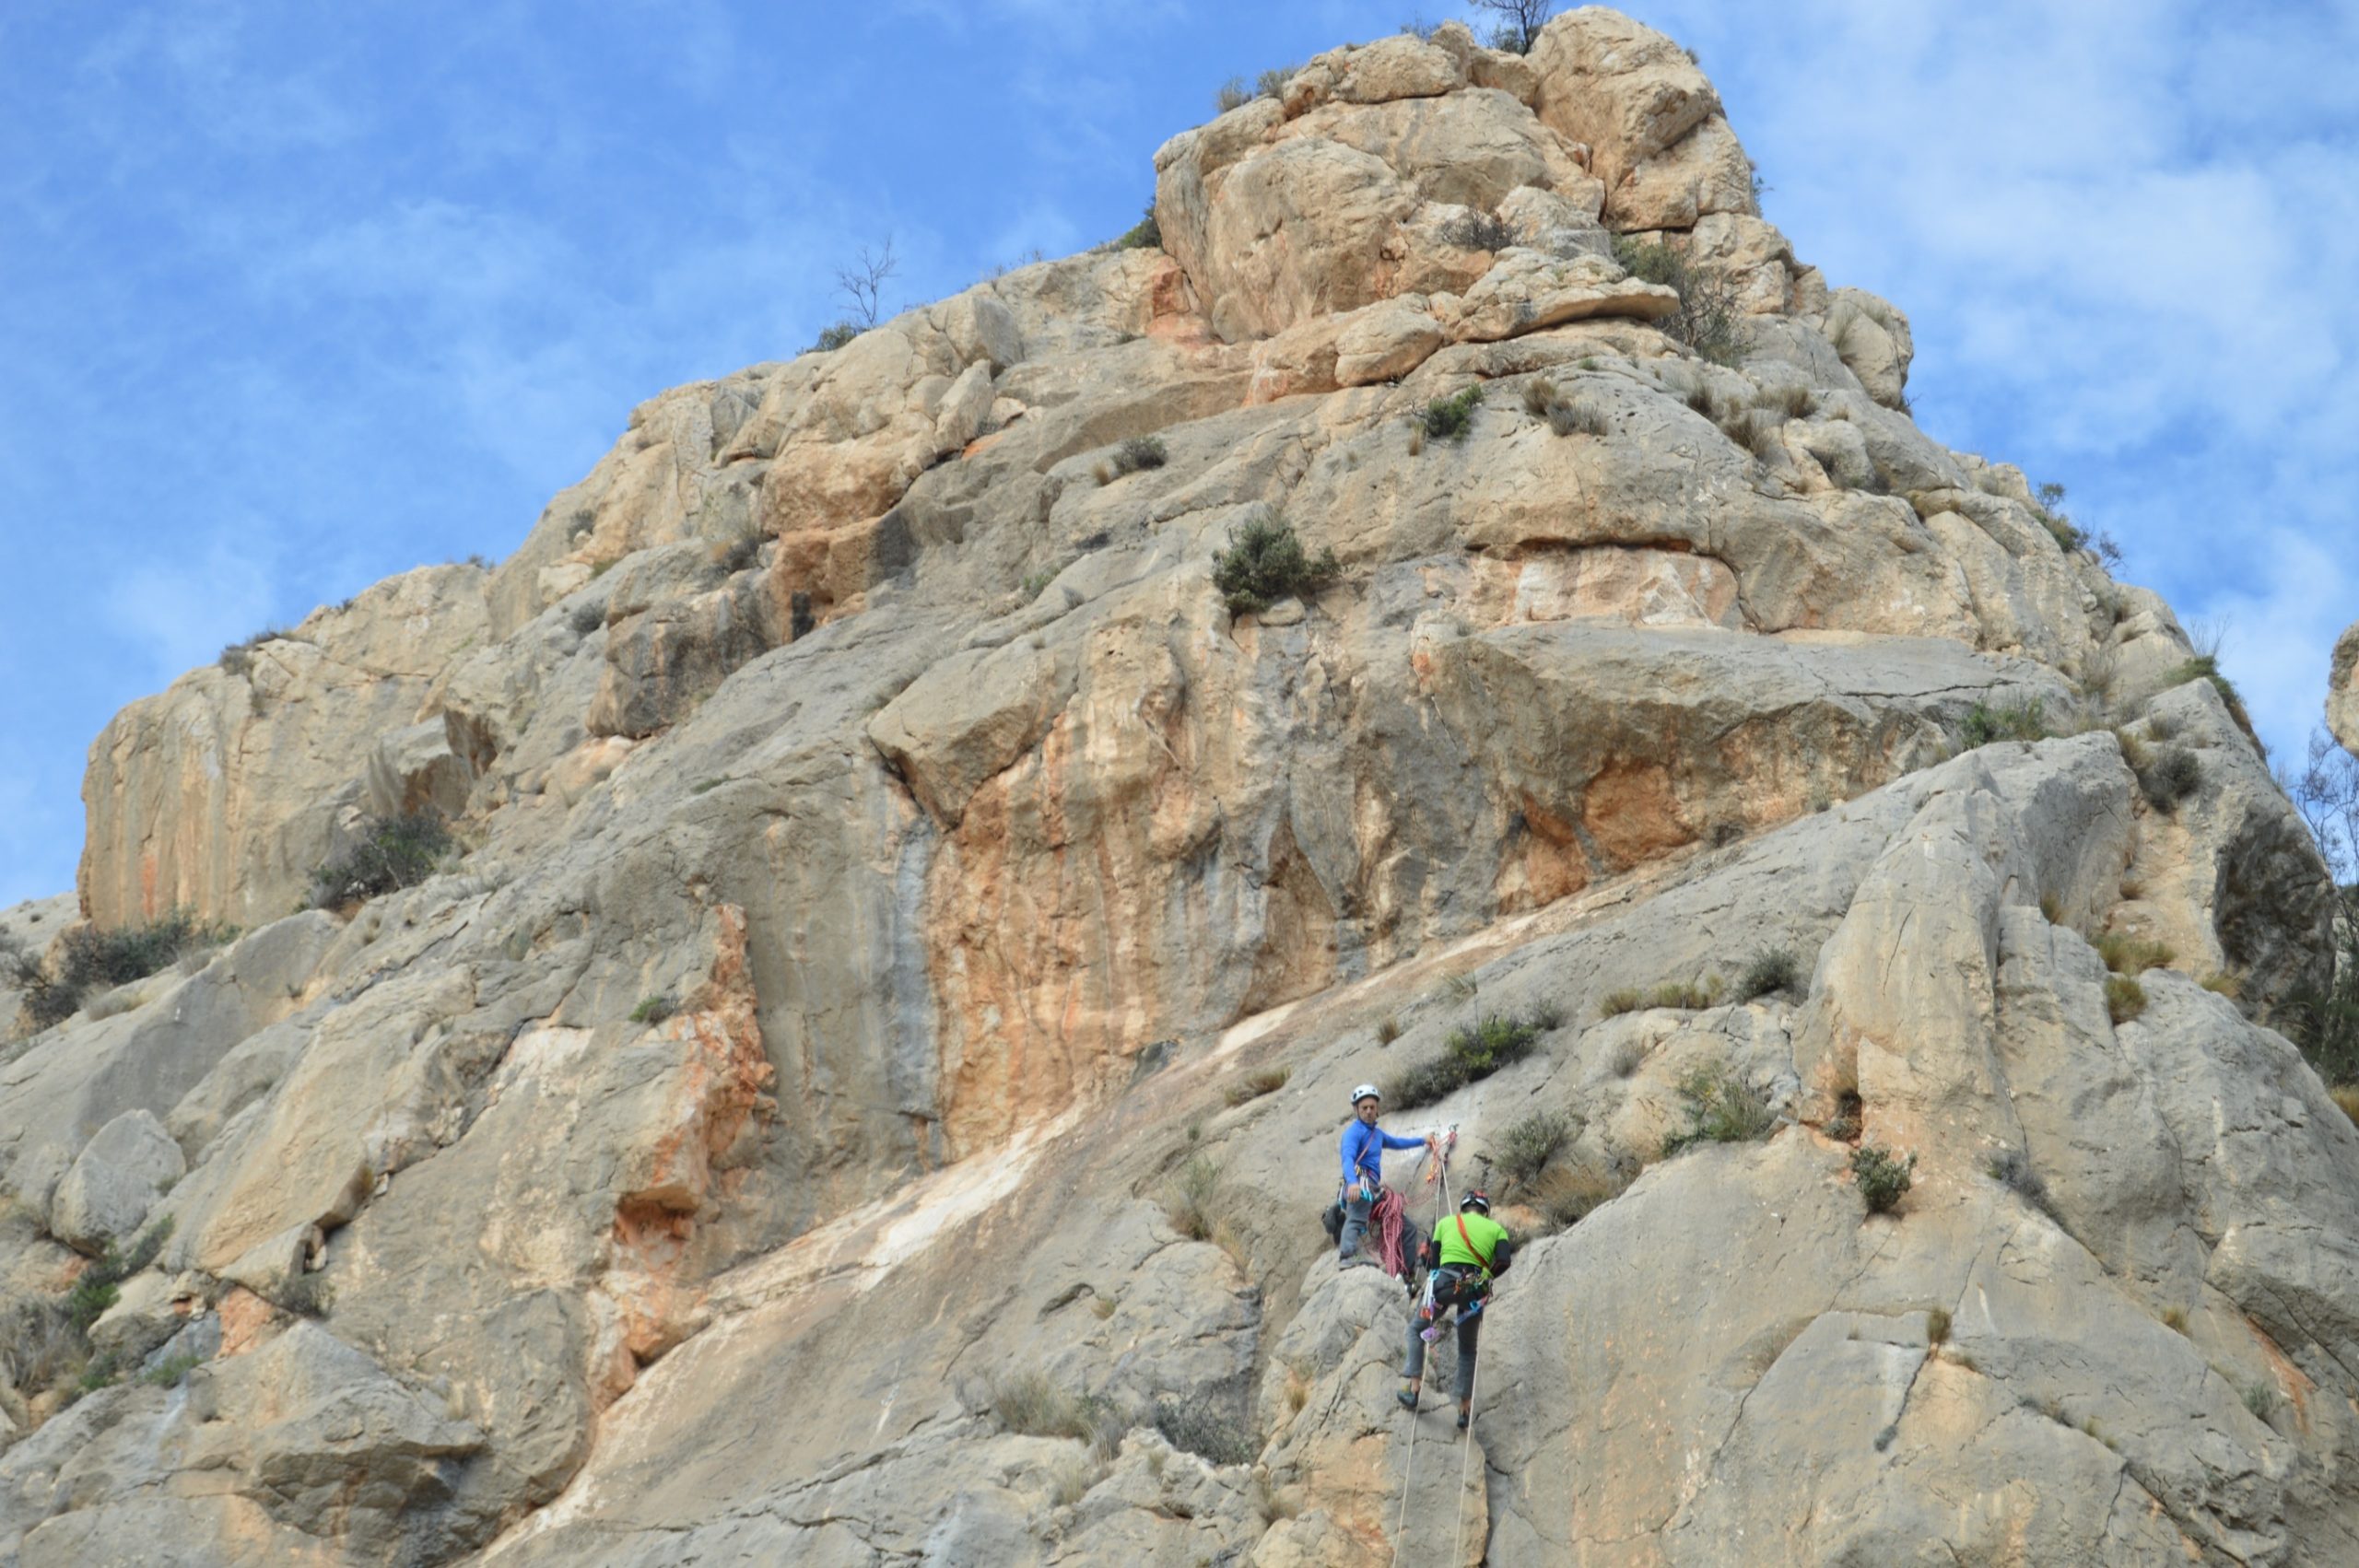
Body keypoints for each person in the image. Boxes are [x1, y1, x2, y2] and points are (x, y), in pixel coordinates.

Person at [1397, 1190, 1513, 1430]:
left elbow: (1436, 1266)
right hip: (1474, 1295)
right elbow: (1504, 1260)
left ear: (1463, 1208)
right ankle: (1463, 1411)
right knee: (1468, 1350)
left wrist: (1425, 1261)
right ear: (1485, 1211)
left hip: (1442, 1291)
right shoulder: (1496, 1230)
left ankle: (1414, 1390)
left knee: (1417, 1329)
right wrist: (1487, 1276)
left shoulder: (1445, 1223)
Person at [1337, 1083, 1430, 1265]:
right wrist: (1352, 1182)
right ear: (1356, 1109)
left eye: (1372, 1107)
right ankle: (1347, 1256)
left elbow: (1397, 1143)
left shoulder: (1377, 1134)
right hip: (1360, 1185)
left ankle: (1408, 1273)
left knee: (1406, 1227)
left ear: (1377, 1108)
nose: (1369, 1111)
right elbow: (1347, 1158)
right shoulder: (1353, 1133)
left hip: (1372, 1189)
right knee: (1356, 1218)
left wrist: (1422, 1141)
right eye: (1364, 1108)